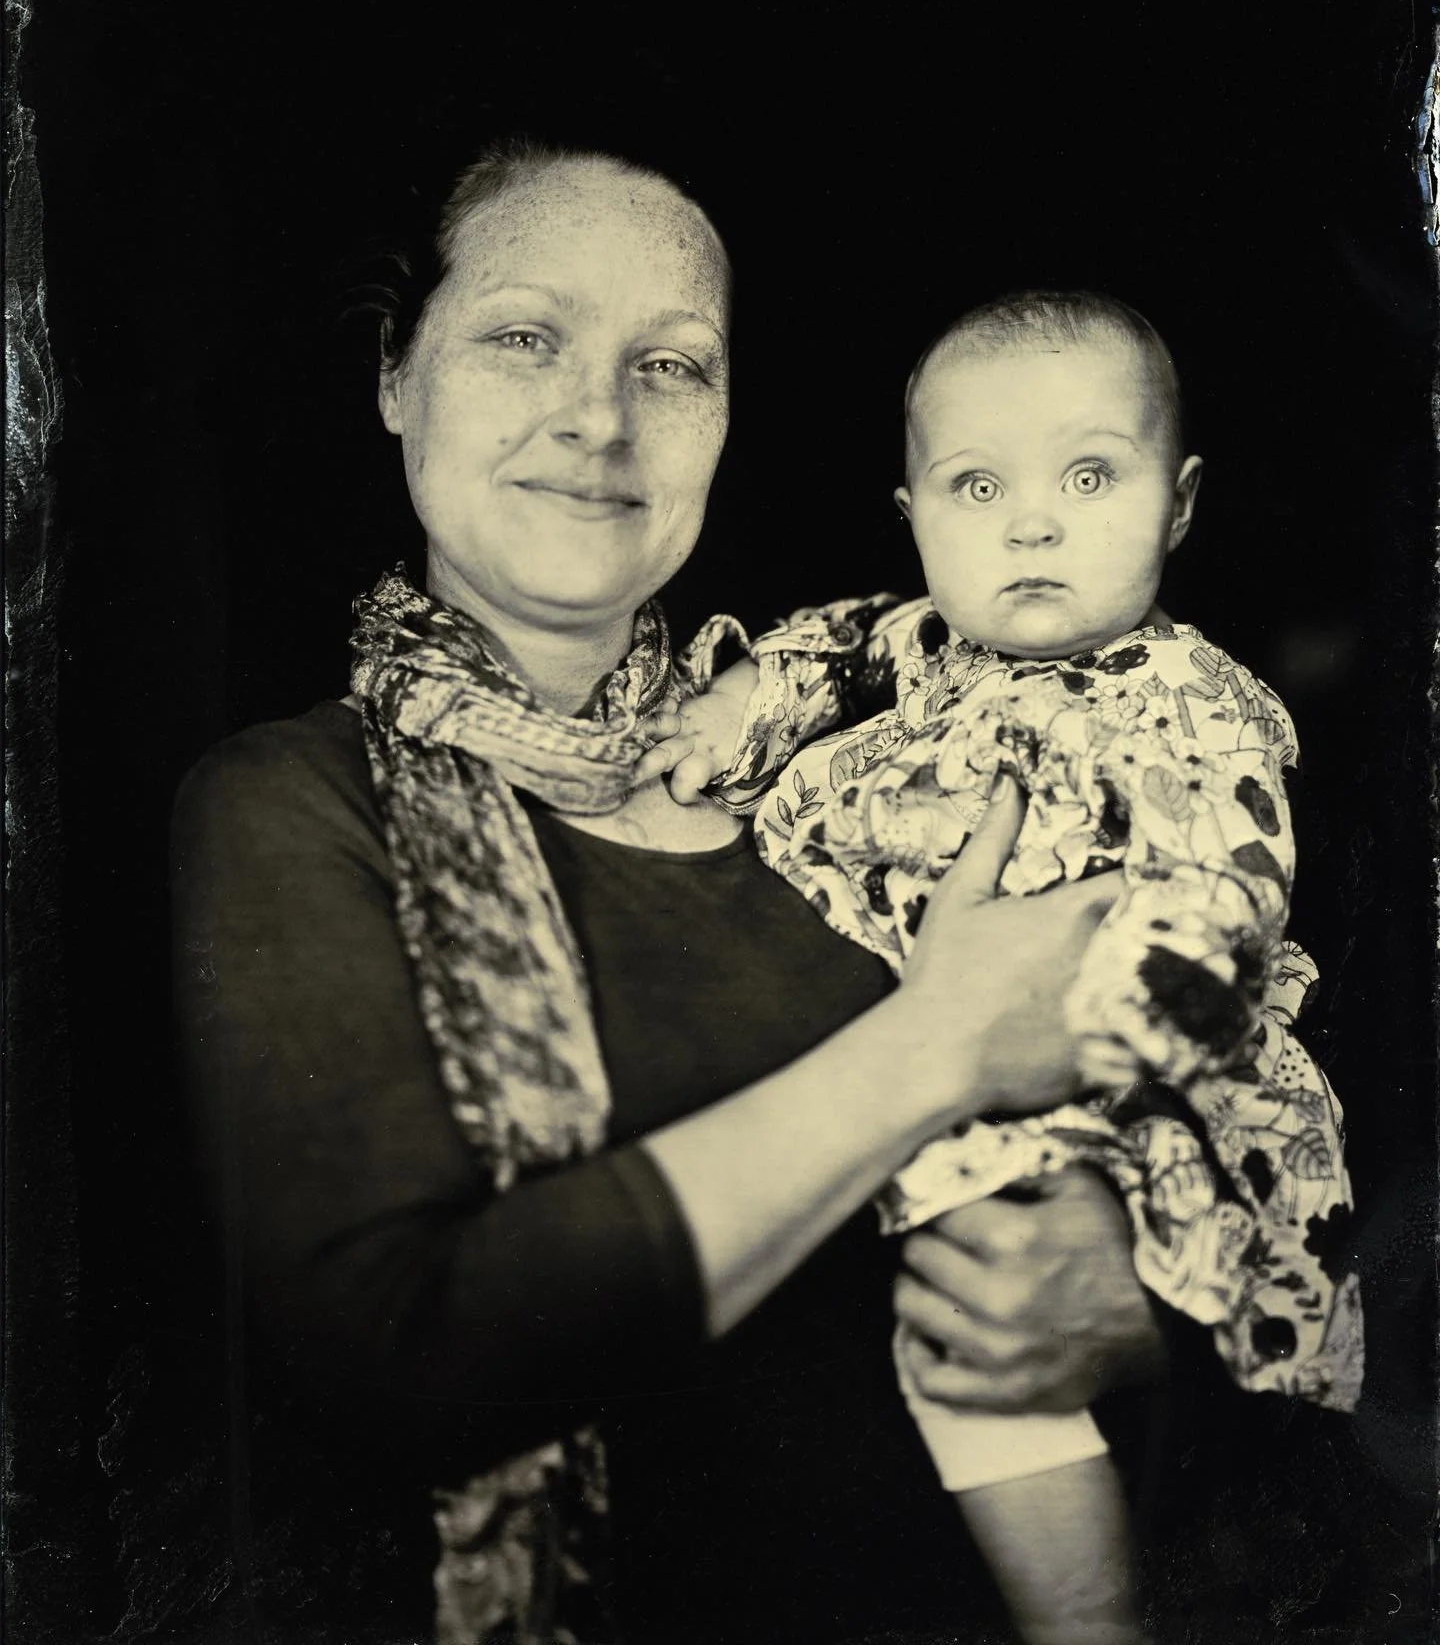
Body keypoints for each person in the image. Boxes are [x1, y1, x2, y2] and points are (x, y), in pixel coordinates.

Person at [171, 146, 1228, 1645]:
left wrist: (1136, 1304)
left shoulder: (879, 766)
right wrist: (933, 1044)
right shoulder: (289, 802)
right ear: (396, 375)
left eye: (671, 366)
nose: (597, 420)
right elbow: (398, 1349)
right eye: (524, 336)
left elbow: (1119, 1133)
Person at [644, 290, 1362, 1644]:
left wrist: (1077, 1048)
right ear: (915, 512)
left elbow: (1223, 914)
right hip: (926, 1046)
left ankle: (1089, 1621)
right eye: (978, 485)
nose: (1032, 524)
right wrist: (754, 697)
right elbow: (842, 643)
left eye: (1091, 475)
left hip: (1101, 1068)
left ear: (1180, 503)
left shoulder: (1190, 708)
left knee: (975, 1346)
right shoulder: (926, 643)